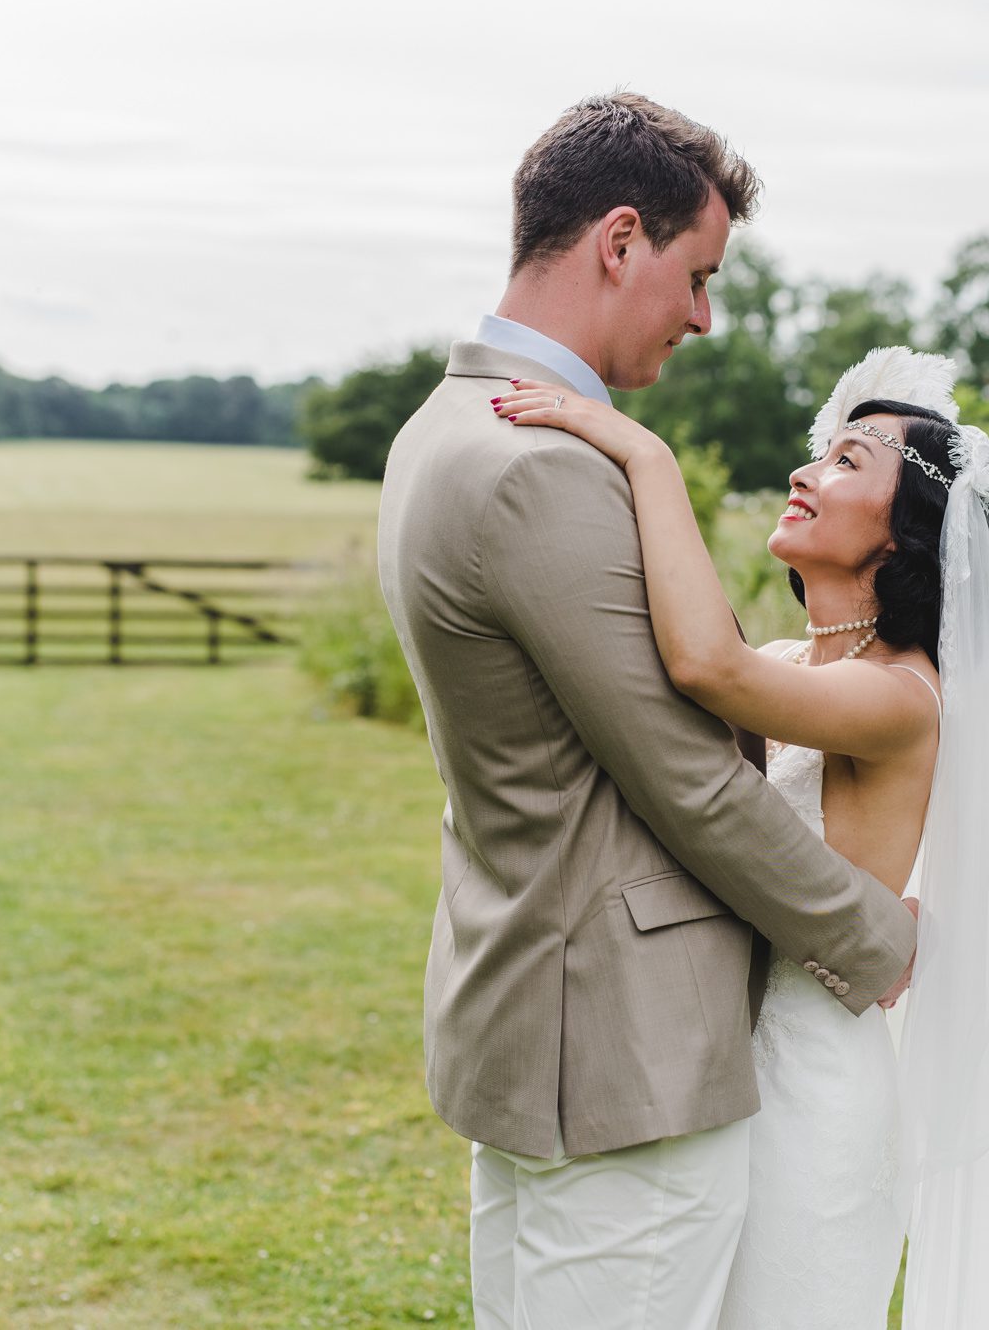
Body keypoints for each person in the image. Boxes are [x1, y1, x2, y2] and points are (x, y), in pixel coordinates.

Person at [374, 93, 919, 1330]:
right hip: (622, 1053)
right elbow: (689, 779)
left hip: (531, 1012)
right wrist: (877, 939)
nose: (702, 316)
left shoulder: (439, 431)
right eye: (696, 273)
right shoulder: (541, 472)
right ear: (620, 239)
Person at [496, 345, 989, 1328]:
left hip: (811, 1085)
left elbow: (702, 665)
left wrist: (647, 459)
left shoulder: (896, 694)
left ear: (899, 539)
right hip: (711, 1055)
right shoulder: (791, 663)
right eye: (823, 454)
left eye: (849, 463)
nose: (806, 472)